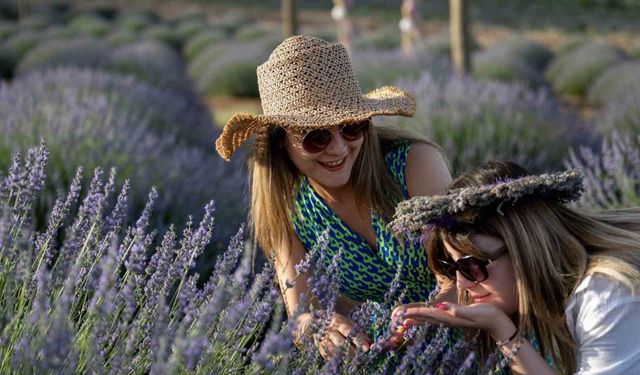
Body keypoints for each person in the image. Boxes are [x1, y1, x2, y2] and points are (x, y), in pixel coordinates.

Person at [215, 35, 452, 359]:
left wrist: (425, 318)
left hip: (464, 343)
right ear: (281, 141)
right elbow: (302, 314)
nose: (339, 148)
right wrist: (317, 326)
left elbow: (461, 276)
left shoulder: (413, 165)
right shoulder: (289, 210)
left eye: (351, 127)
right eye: (316, 137)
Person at [389, 161, 640, 374]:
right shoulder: (539, 294)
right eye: (451, 266)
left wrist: (504, 333)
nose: (462, 283)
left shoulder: (606, 296)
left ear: (524, 249)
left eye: (471, 266)